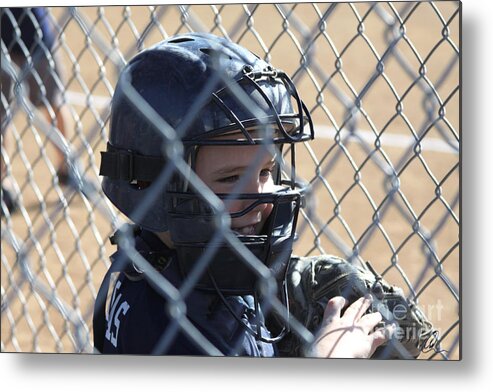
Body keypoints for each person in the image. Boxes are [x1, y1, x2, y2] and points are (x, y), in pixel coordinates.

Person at [93, 32, 393, 357]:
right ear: (154, 186)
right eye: (231, 178)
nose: (261, 198)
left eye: (265, 172)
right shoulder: (179, 328)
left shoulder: (148, 263)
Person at [1, 7, 75, 215]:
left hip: (38, 37)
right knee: (1, 115)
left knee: (54, 103)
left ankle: (66, 168)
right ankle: (3, 184)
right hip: (3, 42)